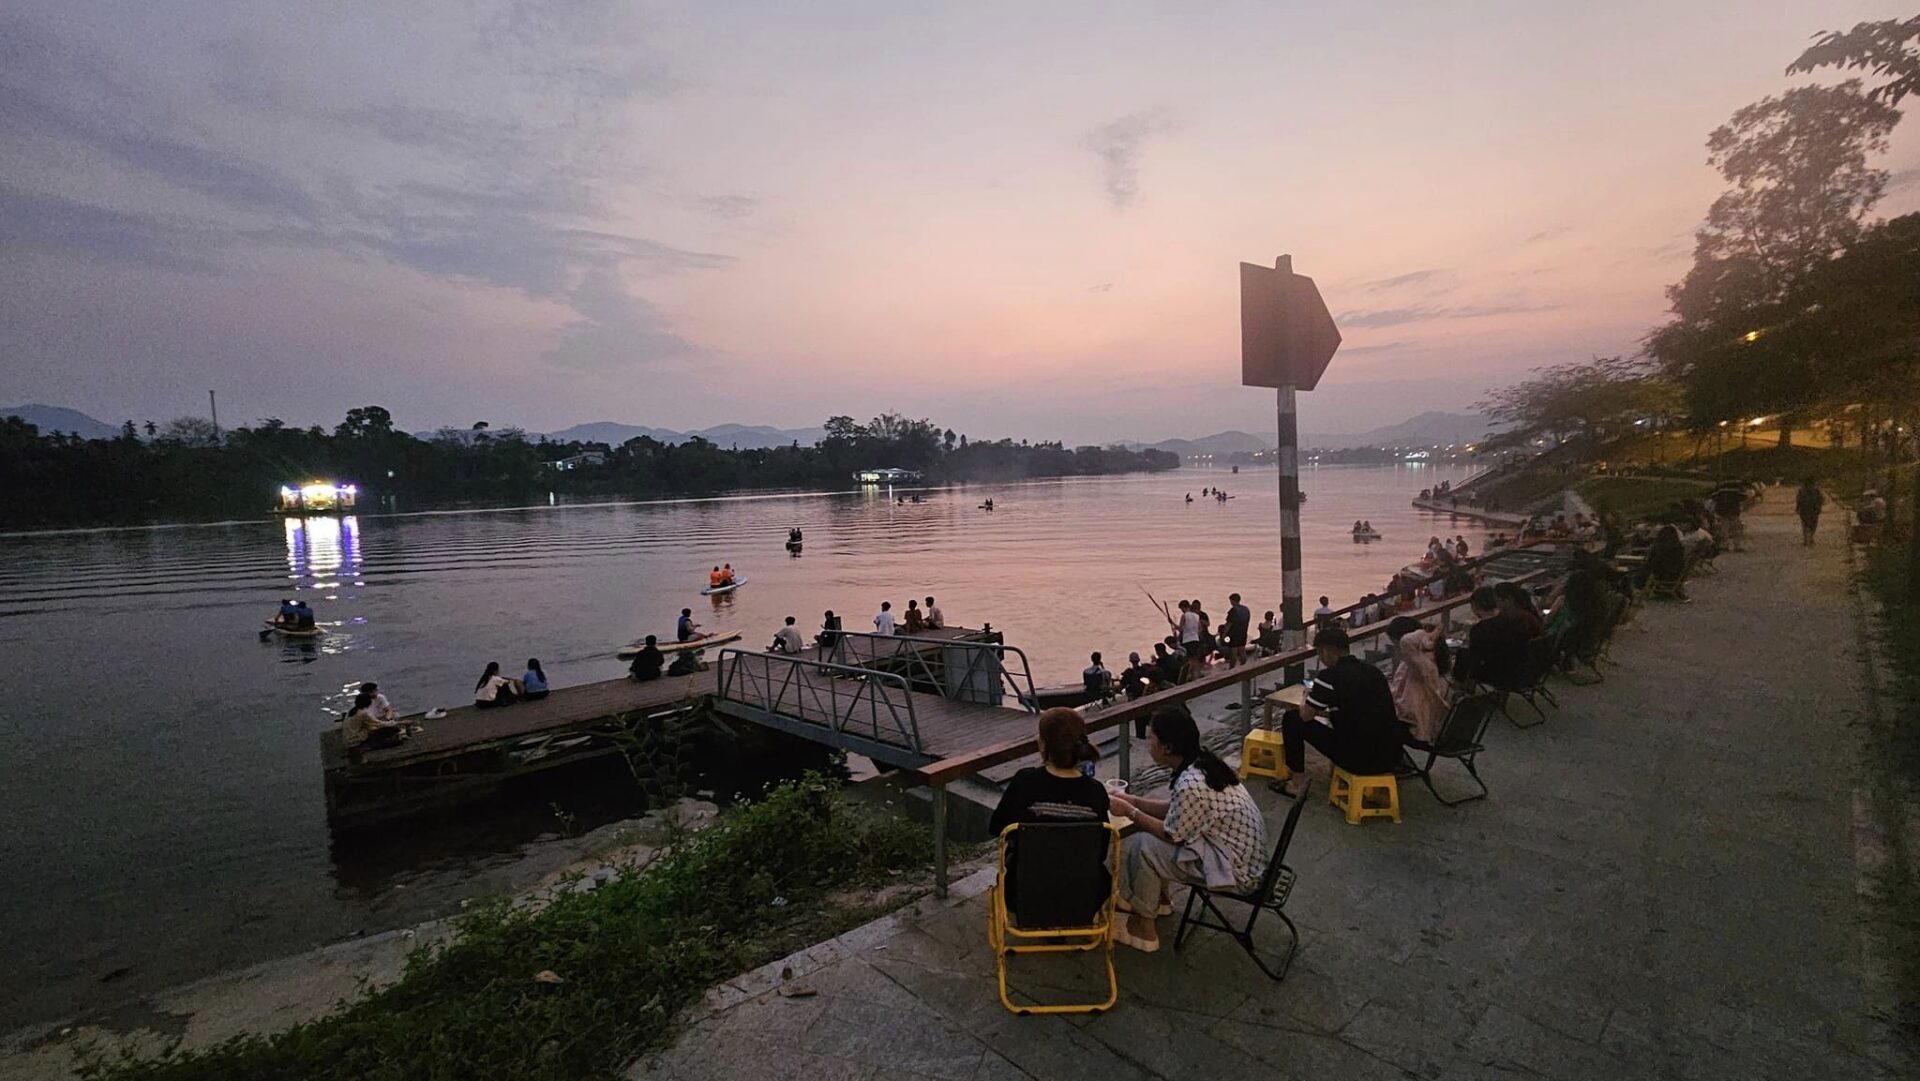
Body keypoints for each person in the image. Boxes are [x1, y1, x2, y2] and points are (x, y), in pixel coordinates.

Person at [1107, 706, 1267, 953]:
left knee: (1140, 845)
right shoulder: (1202, 764)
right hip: (1242, 858)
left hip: (1235, 872)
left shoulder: (1190, 784)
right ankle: (1159, 901)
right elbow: (1178, 811)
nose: (1148, 744)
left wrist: (1130, 812)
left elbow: (1172, 834)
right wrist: (1135, 801)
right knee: (1146, 838)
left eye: (1152, 739)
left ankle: (1145, 928)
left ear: (1168, 748)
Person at [1275, 624, 1407, 796]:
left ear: (1327, 651)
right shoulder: (1373, 672)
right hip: (1392, 756)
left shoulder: (1329, 677)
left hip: (1358, 759)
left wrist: (1305, 698)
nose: (1321, 659)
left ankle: (1297, 782)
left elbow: (1306, 715)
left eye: (1320, 653)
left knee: (1292, 719)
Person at [988, 707, 1108, 838]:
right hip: (1082, 859)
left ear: (1043, 745)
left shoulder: (1025, 781)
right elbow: (1102, 845)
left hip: (1030, 858)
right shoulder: (1096, 791)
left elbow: (997, 827)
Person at [1385, 617, 1449, 744]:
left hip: (1415, 725)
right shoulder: (1432, 658)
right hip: (1432, 722)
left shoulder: (1414, 666)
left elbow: (1401, 703)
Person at [1455, 587, 1530, 690]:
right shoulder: (1513, 622)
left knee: (1462, 654)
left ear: (1475, 606)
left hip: (1494, 672)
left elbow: (1475, 658)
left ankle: (1461, 683)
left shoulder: (1480, 629)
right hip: (1518, 668)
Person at [343, 690, 405, 755]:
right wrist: (397, 723)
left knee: (373, 729)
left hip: (348, 739)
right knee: (390, 731)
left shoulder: (351, 711)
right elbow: (378, 724)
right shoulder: (363, 713)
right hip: (354, 740)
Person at [1646, 524, 1691, 600]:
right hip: (1675, 573)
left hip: (1665, 574)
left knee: (1644, 568)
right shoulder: (1678, 548)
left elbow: (1652, 561)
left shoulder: (1660, 548)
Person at [1174, 600, 1203, 681]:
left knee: (1190, 659)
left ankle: (1189, 676)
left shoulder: (1184, 616)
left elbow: (1180, 629)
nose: (1181, 610)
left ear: (1184, 607)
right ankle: (1196, 675)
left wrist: (1173, 624)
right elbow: (1200, 629)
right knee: (1195, 659)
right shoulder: (1196, 616)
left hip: (1187, 640)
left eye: (1181, 608)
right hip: (1195, 639)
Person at [1224, 593, 1252, 667]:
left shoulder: (1233, 610)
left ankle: (1232, 668)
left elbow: (1228, 624)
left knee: (1233, 652)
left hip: (1233, 635)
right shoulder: (1246, 609)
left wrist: (1224, 634)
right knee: (1242, 650)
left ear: (1233, 601)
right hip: (1243, 633)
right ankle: (1244, 666)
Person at [1797, 476, 1826, 546]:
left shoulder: (1802, 490)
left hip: (1806, 510)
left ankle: (1807, 539)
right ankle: (1809, 538)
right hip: (1813, 510)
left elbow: (1798, 500)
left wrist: (1798, 508)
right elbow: (1821, 500)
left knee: (1806, 525)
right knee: (1812, 525)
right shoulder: (1816, 490)